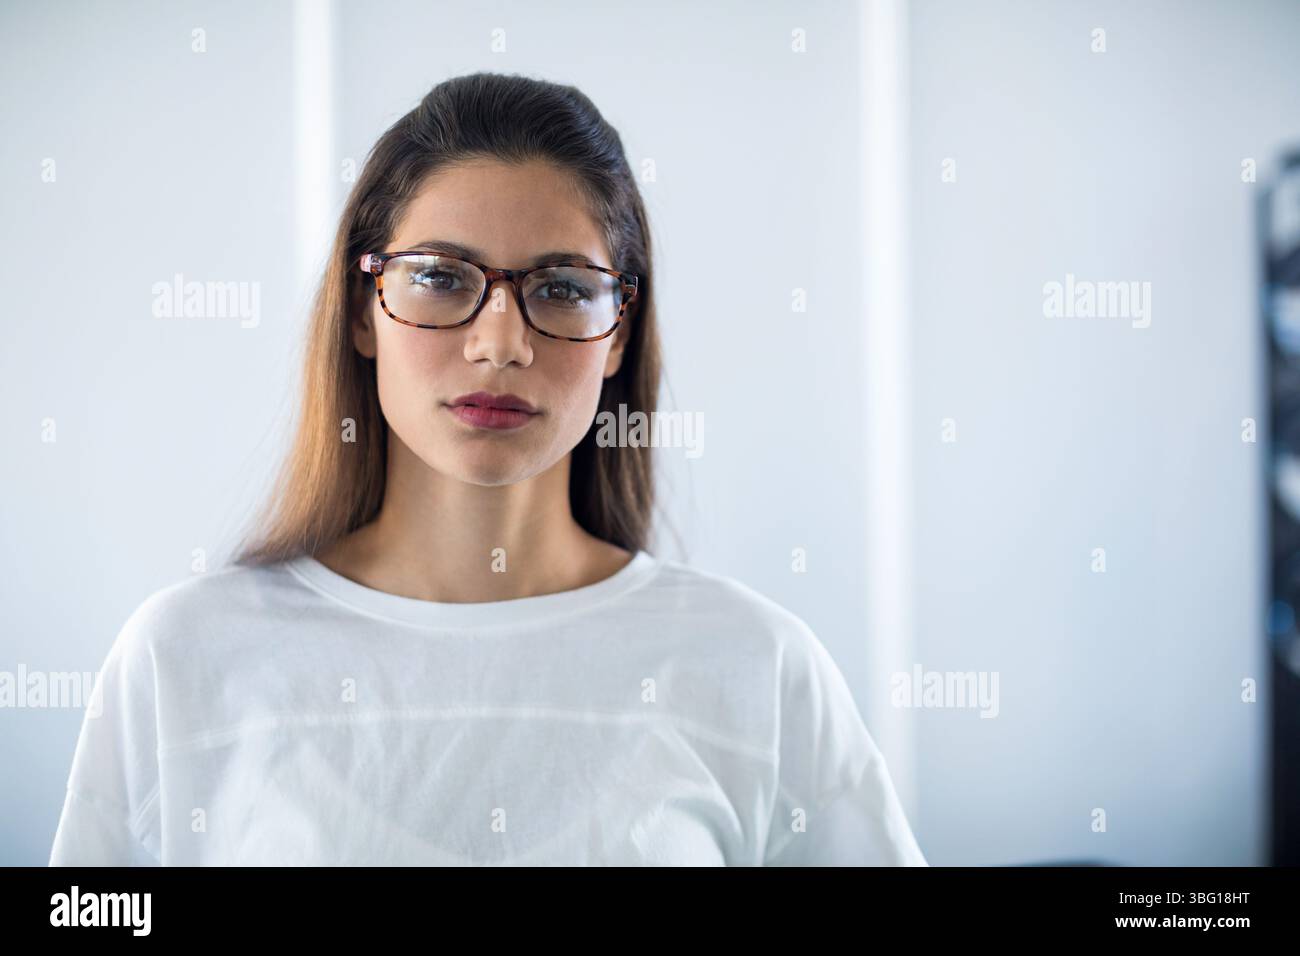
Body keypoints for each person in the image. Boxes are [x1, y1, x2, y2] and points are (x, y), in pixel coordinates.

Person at [48, 72, 927, 867]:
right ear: (365, 313)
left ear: (618, 330)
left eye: (561, 288)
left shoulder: (757, 668)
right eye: (439, 277)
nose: (500, 343)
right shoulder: (184, 661)